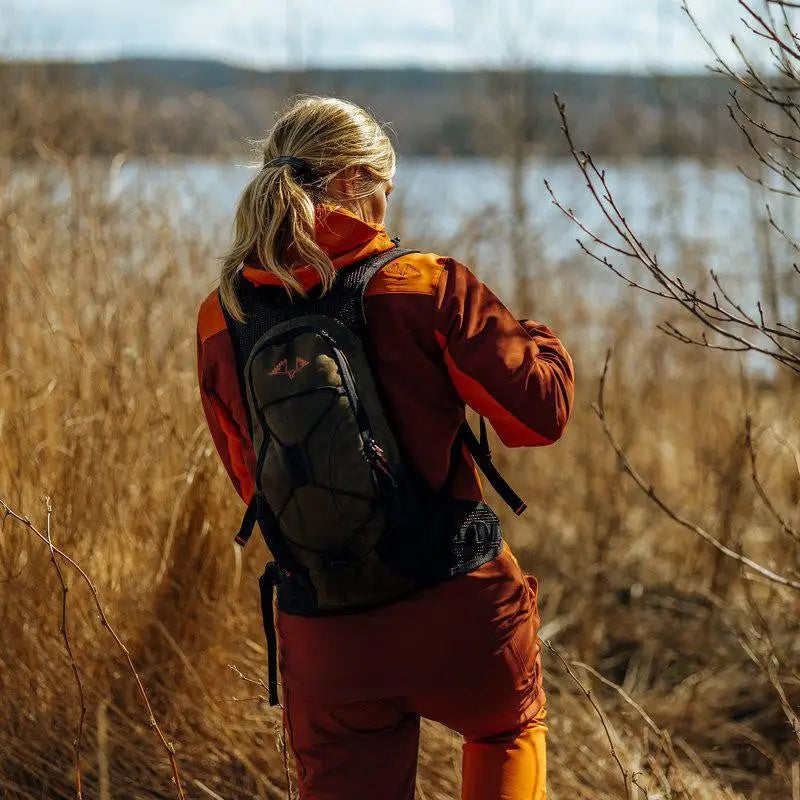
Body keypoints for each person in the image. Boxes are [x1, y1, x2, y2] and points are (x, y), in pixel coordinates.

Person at [196, 95, 574, 800]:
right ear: (349, 183)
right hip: (461, 607)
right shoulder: (424, 283)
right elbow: (539, 416)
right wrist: (537, 340)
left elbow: (253, 481)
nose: (387, 209)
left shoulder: (222, 316)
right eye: (383, 190)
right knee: (506, 731)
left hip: (326, 634)